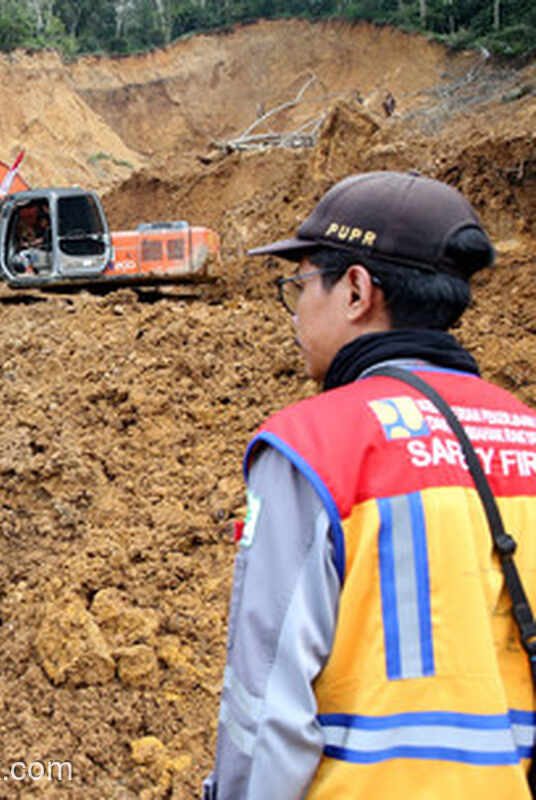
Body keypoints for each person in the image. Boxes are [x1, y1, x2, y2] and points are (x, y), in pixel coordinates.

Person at [204, 171, 532, 798]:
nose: (295, 310)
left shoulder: (313, 447)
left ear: (355, 291)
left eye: (299, 285)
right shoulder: (524, 433)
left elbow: (268, 702)